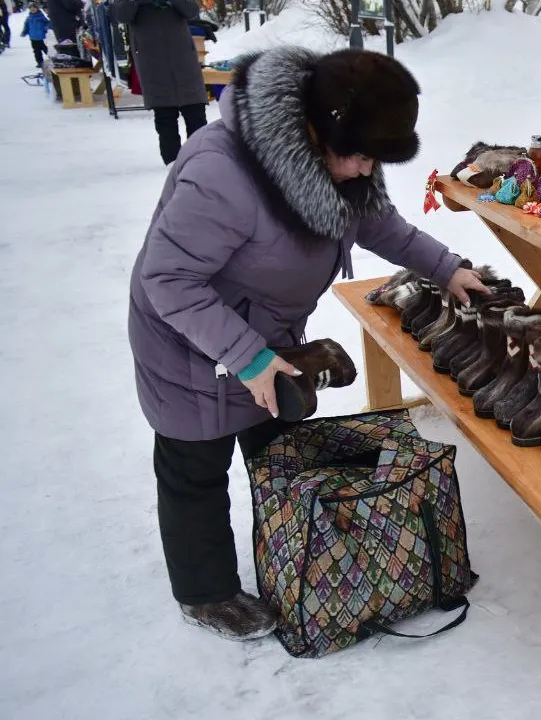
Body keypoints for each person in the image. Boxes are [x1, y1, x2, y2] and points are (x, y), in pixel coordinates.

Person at [127, 47, 490, 641]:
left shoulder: (342, 161)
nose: (368, 171)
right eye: (361, 156)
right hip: (188, 340)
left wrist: (446, 268)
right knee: (195, 463)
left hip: (266, 338)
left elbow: (383, 227)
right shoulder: (223, 174)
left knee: (275, 451)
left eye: (379, 158)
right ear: (316, 128)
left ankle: (290, 557)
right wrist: (245, 356)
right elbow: (168, 278)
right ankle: (205, 592)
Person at [112, 0, 208, 165]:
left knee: (195, 113)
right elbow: (122, 15)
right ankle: (172, 165)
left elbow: (192, 11)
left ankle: (202, 160)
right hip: (151, 59)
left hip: (183, 57)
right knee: (165, 117)